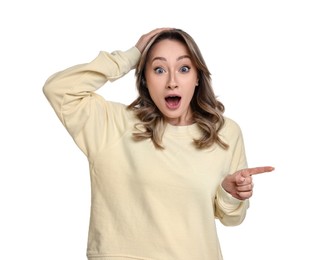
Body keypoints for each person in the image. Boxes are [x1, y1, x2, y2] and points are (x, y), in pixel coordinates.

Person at [43, 27, 274, 260]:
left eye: (184, 69)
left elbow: (232, 219)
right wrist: (131, 55)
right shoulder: (113, 125)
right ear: (144, 78)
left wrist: (229, 193)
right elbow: (59, 89)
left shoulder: (224, 132)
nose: (172, 82)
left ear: (197, 78)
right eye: (159, 69)